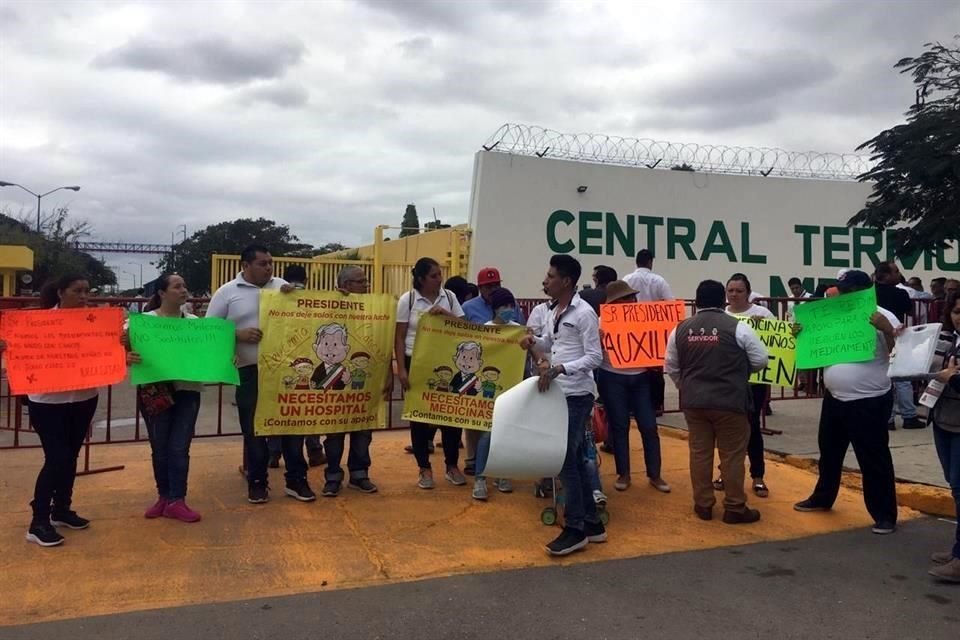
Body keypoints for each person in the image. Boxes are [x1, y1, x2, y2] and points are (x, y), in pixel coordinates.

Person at [793, 270, 900, 535]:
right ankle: (823, 497)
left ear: (864, 291)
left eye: (850, 290)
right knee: (829, 452)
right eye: (842, 290)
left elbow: (900, 354)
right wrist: (801, 335)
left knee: (873, 458)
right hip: (835, 399)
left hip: (869, 401)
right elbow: (814, 347)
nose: (844, 294)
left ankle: (884, 514)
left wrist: (887, 330)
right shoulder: (831, 315)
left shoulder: (883, 316)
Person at [206, 244, 314, 504]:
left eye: (270, 263)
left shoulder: (283, 287)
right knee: (253, 428)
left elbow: (308, 318)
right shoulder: (227, 293)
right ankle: (257, 482)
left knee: (291, 425)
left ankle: (296, 480)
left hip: (285, 370)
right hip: (250, 371)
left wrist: (295, 298)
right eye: (263, 263)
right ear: (246, 265)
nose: (269, 268)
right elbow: (209, 330)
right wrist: (236, 334)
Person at [6, 276, 106, 546]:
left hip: (84, 397)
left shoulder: (97, 323)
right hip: (47, 401)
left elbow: (108, 350)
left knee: (71, 455)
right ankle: (38, 521)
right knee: (57, 457)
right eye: (78, 291)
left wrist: (119, 347)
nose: (84, 296)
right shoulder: (39, 323)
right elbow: (18, 348)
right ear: (61, 293)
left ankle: (61, 509)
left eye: (87, 291)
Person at [664, 280, 768, 525]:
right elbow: (761, 360)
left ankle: (703, 504)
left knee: (699, 453)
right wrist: (739, 373)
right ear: (723, 300)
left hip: (694, 402)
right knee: (732, 454)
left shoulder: (680, 329)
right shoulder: (738, 328)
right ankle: (734, 507)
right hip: (730, 401)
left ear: (697, 301)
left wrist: (685, 386)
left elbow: (671, 366)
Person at [522, 255, 605, 556]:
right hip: (559, 393)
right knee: (570, 457)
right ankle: (592, 524)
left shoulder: (584, 313)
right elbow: (549, 344)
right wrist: (532, 342)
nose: (545, 281)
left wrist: (560, 369)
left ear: (566, 281)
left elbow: (595, 357)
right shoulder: (551, 311)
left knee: (564, 459)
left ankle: (575, 528)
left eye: (551, 276)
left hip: (576, 394)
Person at [125, 274, 204, 523]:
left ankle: (177, 499)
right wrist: (126, 353)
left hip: (187, 390)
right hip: (154, 391)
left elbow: (209, 352)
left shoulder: (194, 323)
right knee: (159, 447)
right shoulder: (142, 323)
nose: (184, 290)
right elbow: (119, 345)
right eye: (177, 286)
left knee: (179, 447)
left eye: (184, 285)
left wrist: (224, 358)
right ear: (162, 293)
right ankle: (164, 496)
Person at [395, 257, 467, 489]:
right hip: (416, 361)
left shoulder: (450, 297)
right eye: (434, 275)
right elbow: (399, 336)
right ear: (421, 279)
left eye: (439, 274)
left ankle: (452, 466)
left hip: (445, 360)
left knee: (451, 416)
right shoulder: (409, 300)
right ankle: (424, 468)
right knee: (419, 416)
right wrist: (402, 369)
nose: (439, 279)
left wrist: (446, 314)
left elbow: (465, 327)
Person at [596, 280, 670, 494]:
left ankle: (655, 474)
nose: (632, 301)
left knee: (649, 426)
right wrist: (598, 341)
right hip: (612, 377)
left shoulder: (643, 318)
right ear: (615, 303)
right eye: (626, 298)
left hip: (640, 378)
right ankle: (624, 474)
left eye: (632, 297)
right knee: (619, 427)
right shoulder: (601, 322)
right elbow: (592, 351)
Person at [321, 266, 378, 497]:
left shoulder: (374, 307)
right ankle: (333, 475)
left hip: (363, 378)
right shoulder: (329, 307)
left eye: (366, 281)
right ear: (345, 285)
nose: (365, 285)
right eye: (360, 282)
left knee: (363, 430)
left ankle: (359, 474)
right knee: (334, 432)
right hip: (335, 384)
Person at [461, 266, 525, 474]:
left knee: (503, 419)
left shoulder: (511, 305)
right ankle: (472, 459)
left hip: (507, 371)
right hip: (480, 370)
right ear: (480, 288)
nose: (492, 288)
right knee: (475, 417)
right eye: (488, 286)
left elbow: (520, 334)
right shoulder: (468, 307)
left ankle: (498, 460)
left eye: (496, 284)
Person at [721, 274, 775, 498]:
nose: (734, 294)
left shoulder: (762, 314)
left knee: (751, 427)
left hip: (754, 381)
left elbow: (780, 340)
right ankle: (726, 474)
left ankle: (758, 475)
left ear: (748, 293)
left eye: (739, 290)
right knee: (727, 430)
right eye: (730, 290)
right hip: (727, 381)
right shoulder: (722, 315)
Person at [269, 264, 325, 468]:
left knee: (281, 407)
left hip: (281, 357)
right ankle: (315, 451)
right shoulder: (315, 298)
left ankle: (273, 454)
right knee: (310, 407)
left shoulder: (275, 297)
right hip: (310, 357)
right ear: (307, 279)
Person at [472, 287, 519, 501]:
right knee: (487, 435)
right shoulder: (485, 330)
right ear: (494, 308)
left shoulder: (518, 330)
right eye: (503, 306)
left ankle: (503, 474)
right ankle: (480, 478)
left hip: (513, 390)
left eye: (511, 306)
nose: (508, 310)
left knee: (508, 434)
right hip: (489, 394)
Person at [928, 292, 960, 582]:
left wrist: (953, 378)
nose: (959, 317)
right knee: (955, 487)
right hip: (944, 421)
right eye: (957, 311)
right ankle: (957, 549)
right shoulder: (951, 341)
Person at [623, 250, 672, 417]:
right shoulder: (659, 280)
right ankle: (656, 405)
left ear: (636, 262)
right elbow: (670, 304)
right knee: (656, 369)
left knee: (632, 368)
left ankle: (631, 405)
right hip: (654, 332)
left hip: (631, 330)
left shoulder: (627, 280)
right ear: (650, 262)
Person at [874, 262, 921, 430]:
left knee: (885, 377)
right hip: (897, 337)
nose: (899, 275)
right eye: (895, 272)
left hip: (874, 341)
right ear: (886, 275)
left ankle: (889, 419)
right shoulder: (900, 293)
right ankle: (909, 416)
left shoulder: (869, 295)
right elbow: (910, 311)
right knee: (902, 378)